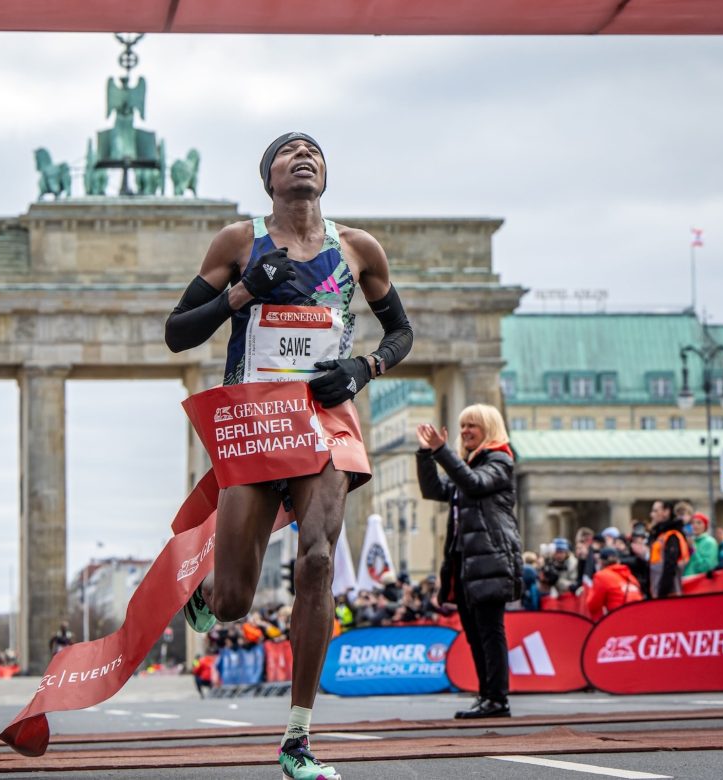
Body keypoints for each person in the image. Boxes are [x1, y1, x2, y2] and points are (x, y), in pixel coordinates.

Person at [164, 131, 413, 780]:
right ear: (268, 177)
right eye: (288, 151)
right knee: (236, 604)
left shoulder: (357, 247)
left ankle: (298, 737)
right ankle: (210, 591)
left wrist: (363, 369)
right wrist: (240, 295)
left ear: (324, 176)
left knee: (320, 557)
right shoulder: (238, 243)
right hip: (255, 418)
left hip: (327, 415)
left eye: (315, 152)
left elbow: (401, 332)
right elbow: (176, 332)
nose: (304, 156)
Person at [416, 404, 522, 720]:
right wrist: (425, 455)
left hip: (490, 559)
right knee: (476, 633)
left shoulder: (500, 460)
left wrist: (441, 451)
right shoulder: (471, 465)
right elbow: (434, 489)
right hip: (467, 563)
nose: (465, 432)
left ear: (488, 428)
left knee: (490, 631)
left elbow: (474, 484)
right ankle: (487, 695)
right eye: (462, 427)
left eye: (472, 426)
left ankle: (497, 698)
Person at [585, 547, 643, 618]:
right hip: (638, 616)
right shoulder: (631, 577)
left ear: (601, 562)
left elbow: (593, 605)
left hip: (619, 618)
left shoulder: (602, 576)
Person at [648, 499, 689, 599]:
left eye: (655, 511)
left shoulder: (672, 536)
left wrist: (662, 593)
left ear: (666, 512)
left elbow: (670, 566)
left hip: (669, 594)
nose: (652, 515)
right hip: (660, 591)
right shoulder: (662, 535)